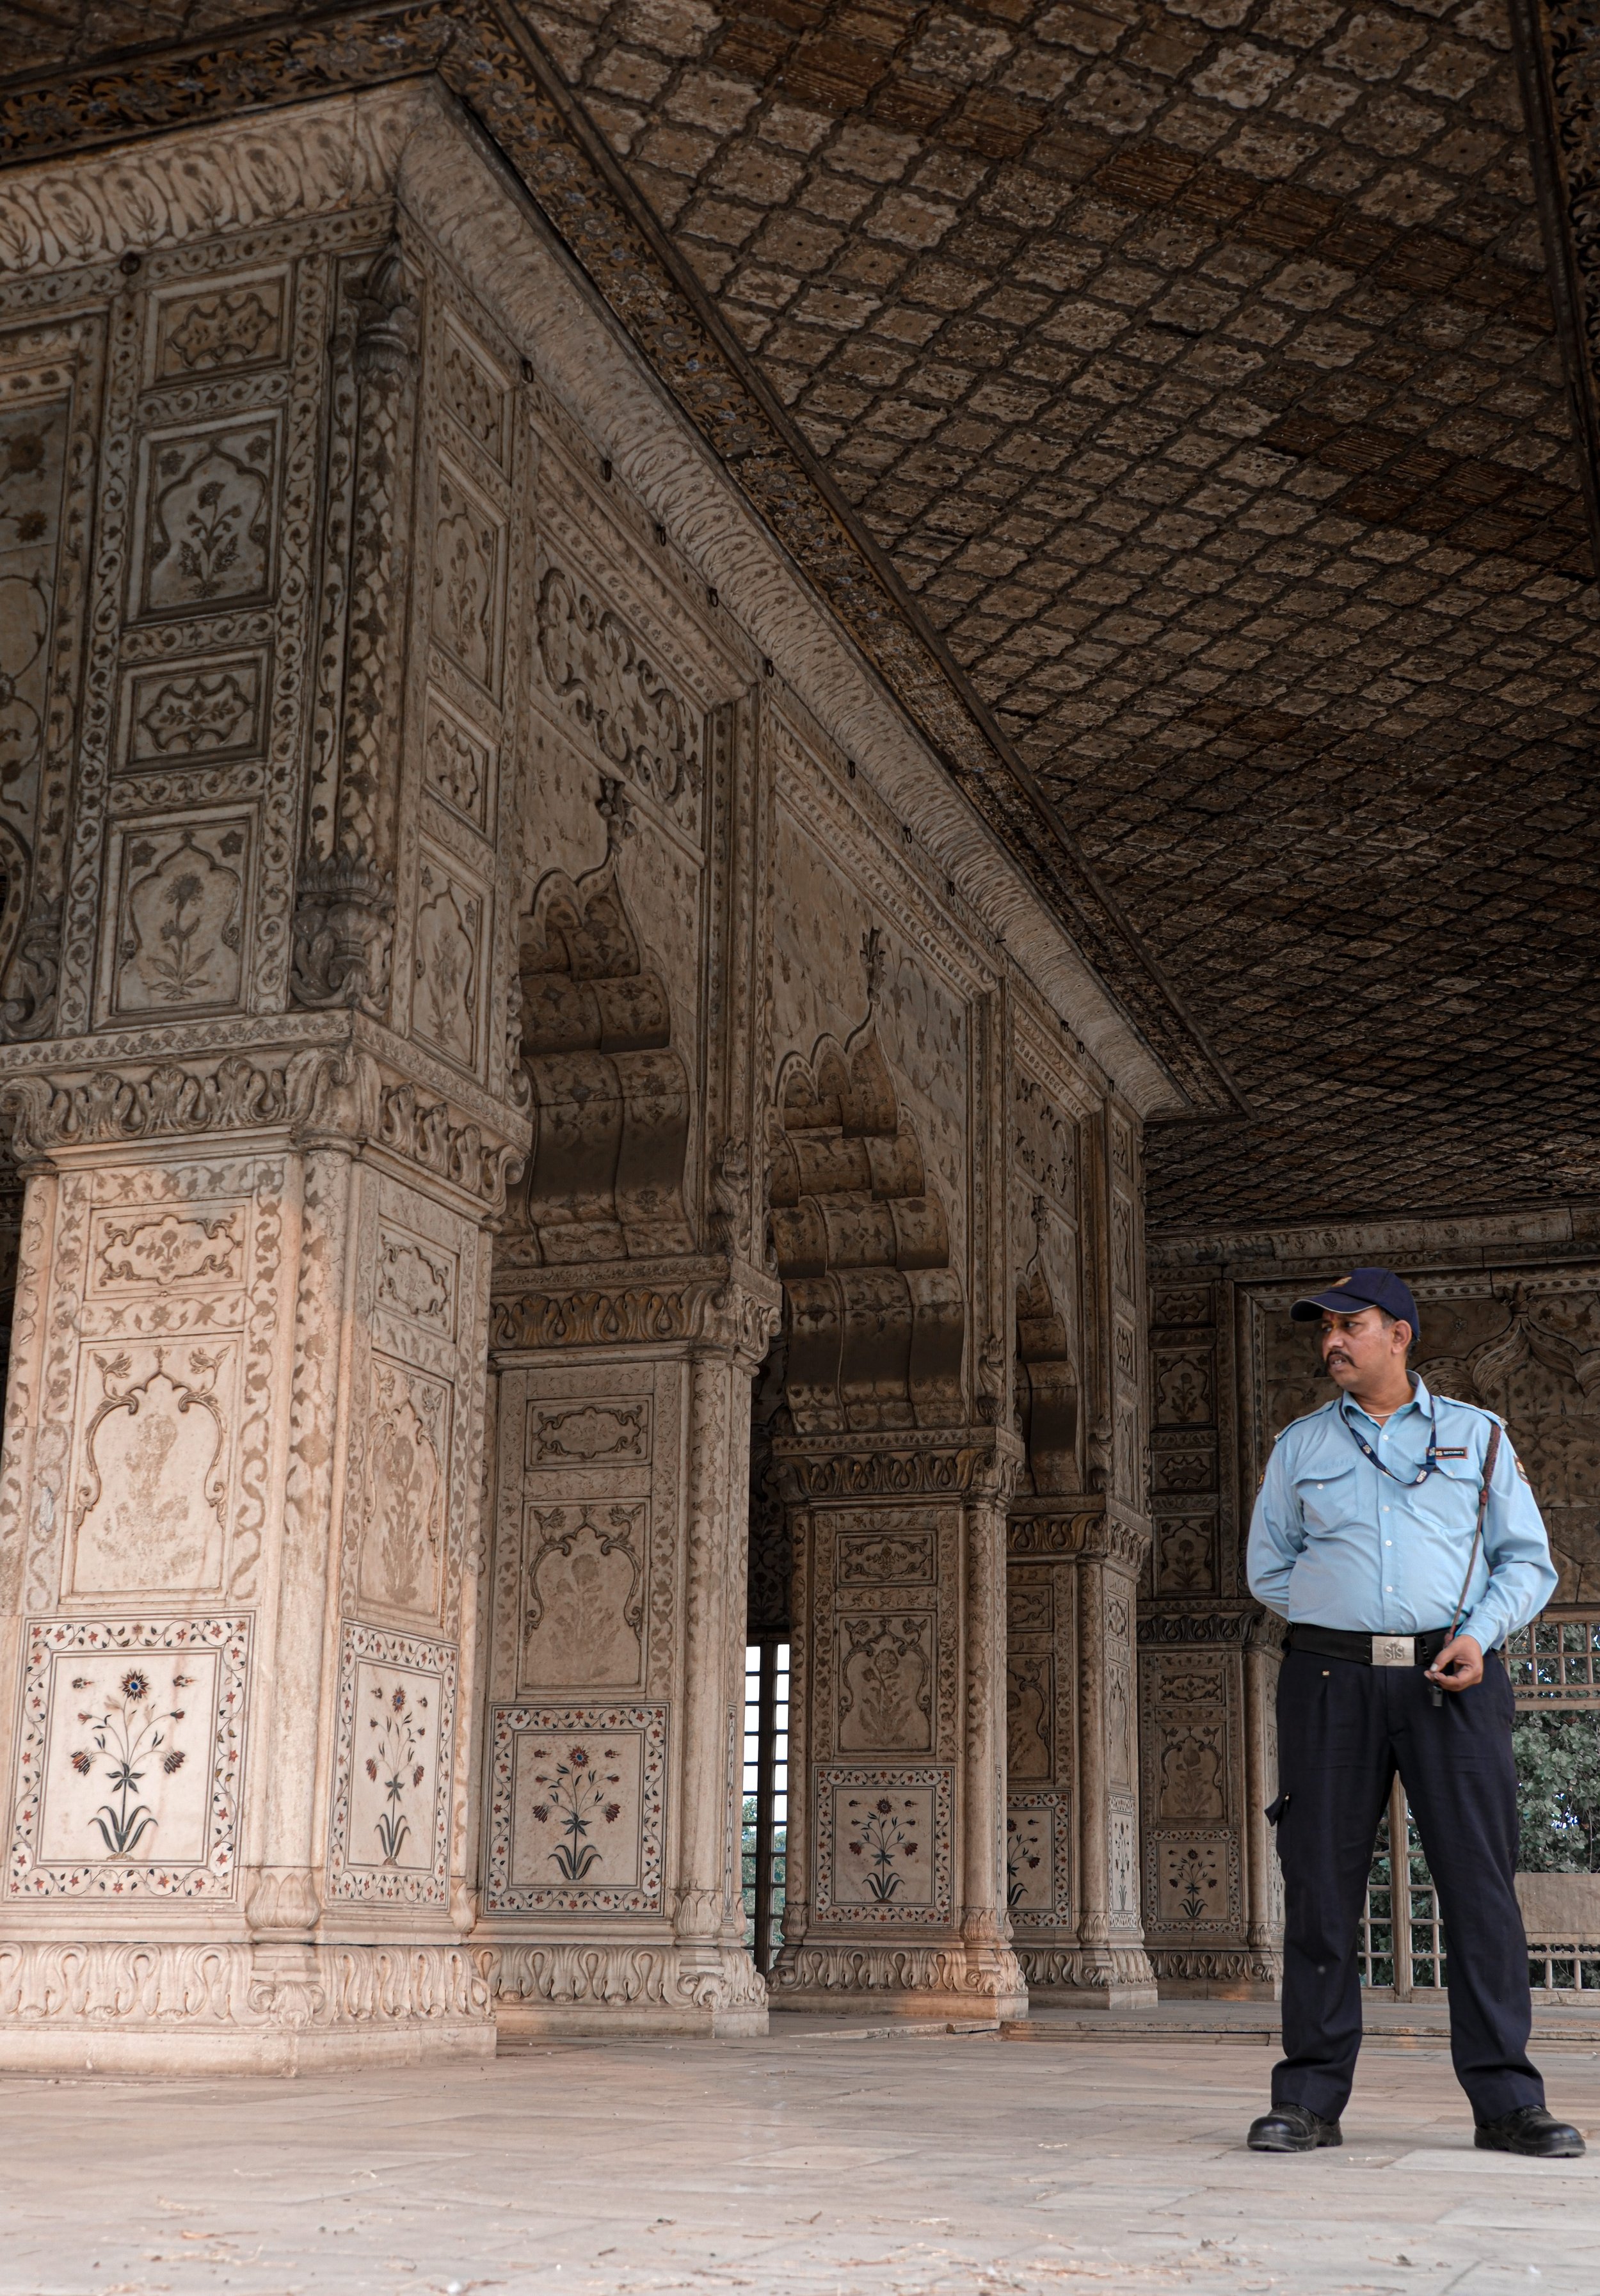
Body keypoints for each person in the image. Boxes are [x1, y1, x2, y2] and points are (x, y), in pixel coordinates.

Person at [1245, 1266, 1583, 2158]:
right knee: (1320, 1887)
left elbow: (1527, 1564)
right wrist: (1342, 1616)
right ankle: (1309, 2099)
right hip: (1329, 1681)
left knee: (1478, 1890)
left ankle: (1509, 2103)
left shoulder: (1479, 1438)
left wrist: (1474, 1632)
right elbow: (1268, 1569)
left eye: (1348, 1325)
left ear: (1400, 1333)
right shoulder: (1300, 1447)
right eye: (1323, 1329)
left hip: (1454, 1675)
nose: (1331, 1342)